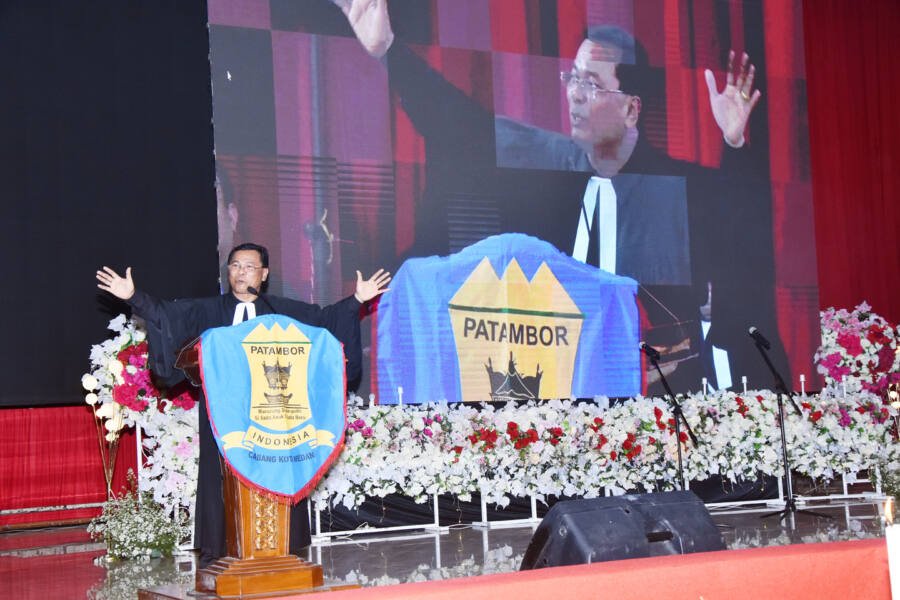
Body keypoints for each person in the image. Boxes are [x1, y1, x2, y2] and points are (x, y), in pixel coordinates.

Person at [333, 0, 788, 393]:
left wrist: (734, 146)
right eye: (572, 78)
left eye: (591, 84)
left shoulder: (675, 189)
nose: (574, 95)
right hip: (560, 394)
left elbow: (739, 239)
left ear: (631, 109)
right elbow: (461, 124)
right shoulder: (546, 167)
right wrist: (389, 50)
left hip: (663, 400)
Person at [96, 242, 391, 568]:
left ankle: (283, 548)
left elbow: (326, 322)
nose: (241, 272)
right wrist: (133, 296)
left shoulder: (280, 311)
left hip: (276, 420)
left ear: (263, 274)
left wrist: (357, 300)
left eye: (249, 267)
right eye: (235, 265)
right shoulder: (207, 311)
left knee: (279, 470)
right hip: (223, 415)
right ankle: (219, 551)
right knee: (219, 479)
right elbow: (166, 314)